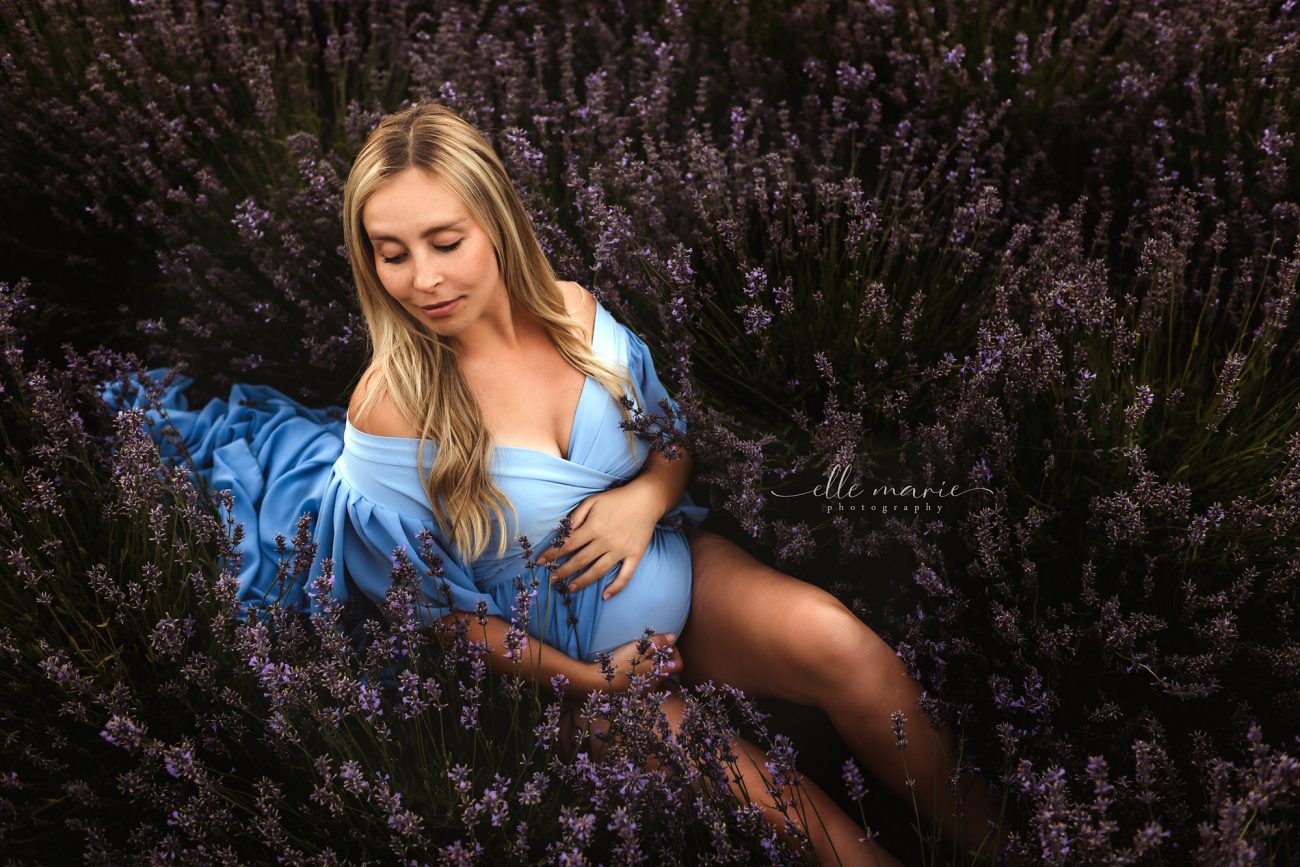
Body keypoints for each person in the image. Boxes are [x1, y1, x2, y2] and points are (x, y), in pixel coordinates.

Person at [107, 100, 1014, 865]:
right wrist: (597, 680)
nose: (421, 279)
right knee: (813, 826)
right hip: (566, 686)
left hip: (677, 580)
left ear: (496, 221)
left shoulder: (578, 315)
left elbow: (670, 444)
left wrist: (643, 500)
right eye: (390, 252)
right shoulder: (392, 409)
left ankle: (1018, 843)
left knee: (850, 651)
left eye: (444, 240)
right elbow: (434, 617)